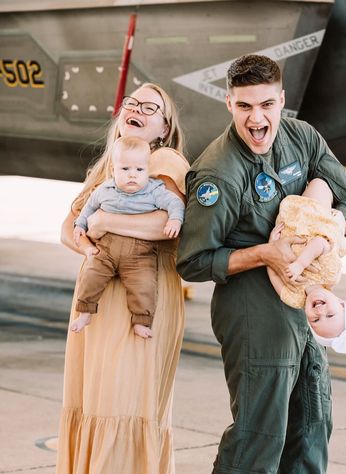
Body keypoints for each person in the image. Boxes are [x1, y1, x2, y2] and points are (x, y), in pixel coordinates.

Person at [177, 54, 346, 473]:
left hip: (304, 306)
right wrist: (264, 253)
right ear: (229, 104)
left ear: (282, 100)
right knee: (258, 438)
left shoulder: (303, 138)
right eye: (244, 106)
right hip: (252, 309)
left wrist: (328, 231)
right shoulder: (218, 174)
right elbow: (192, 262)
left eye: (266, 105)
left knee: (312, 427)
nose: (256, 119)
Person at [56, 82, 189, 474]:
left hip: (139, 300)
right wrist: (91, 248)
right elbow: (68, 227)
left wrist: (103, 222)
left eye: (151, 107)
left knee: (122, 402)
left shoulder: (164, 159)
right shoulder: (107, 167)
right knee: (93, 402)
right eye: (132, 103)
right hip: (98, 297)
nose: (138, 109)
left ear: (164, 128)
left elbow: (166, 223)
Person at [70, 136, 185, 338]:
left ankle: (141, 320)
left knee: (145, 286)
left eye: (139, 170)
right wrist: (80, 225)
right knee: (90, 276)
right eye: (125, 169)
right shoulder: (104, 190)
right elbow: (87, 209)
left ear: (147, 171)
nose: (132, 175)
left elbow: (175, 204)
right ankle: (85, 311)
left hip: (140, 253)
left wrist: (175, 220)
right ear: (113, 170)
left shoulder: (155, 190)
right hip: (105, 249)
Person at [267, 178, 346, 354]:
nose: (320, 311)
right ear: (341, 304)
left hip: (288, 220)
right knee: (319, 184)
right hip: (314, 216)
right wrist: (300, 264)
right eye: (330, 315)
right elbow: (320, 242)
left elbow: (273, 276)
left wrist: (272, 247)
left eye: (316, 320)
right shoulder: (331, 275)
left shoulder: (294, 299)